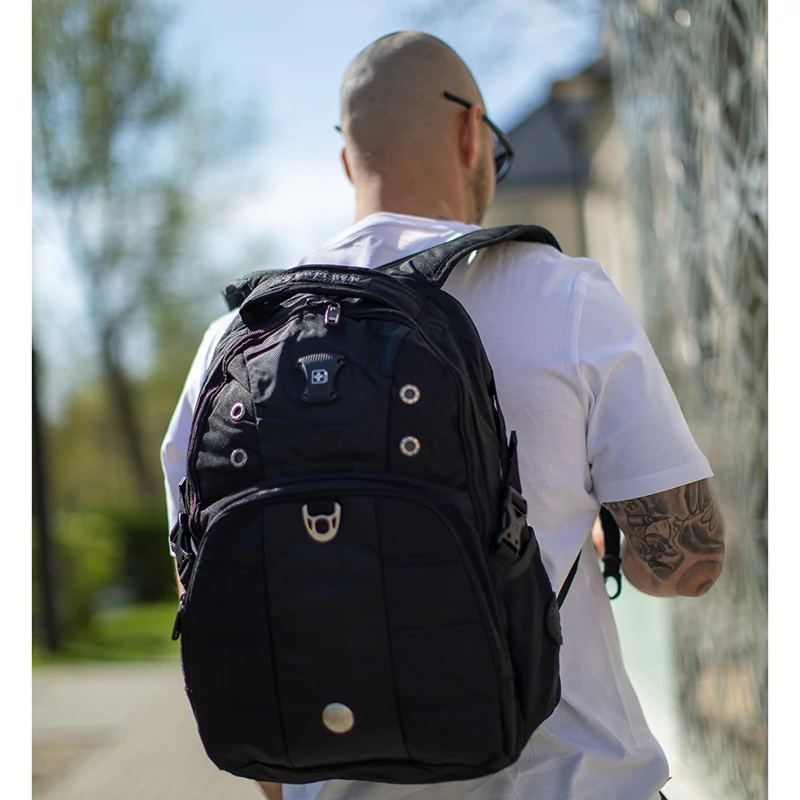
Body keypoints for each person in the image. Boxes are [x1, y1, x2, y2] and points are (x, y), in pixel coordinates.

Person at [161, 30, 724, 800]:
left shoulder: (233, 342)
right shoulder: (566, 296)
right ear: (471, 134)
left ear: (348, 161)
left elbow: (220, 615)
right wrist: (600, 539)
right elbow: (691, 564)